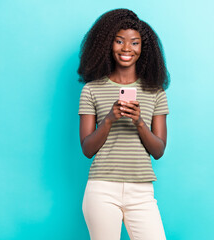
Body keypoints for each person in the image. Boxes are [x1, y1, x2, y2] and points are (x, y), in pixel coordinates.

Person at [77, 8, 169, 240]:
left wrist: (139, 122)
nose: (127, 48)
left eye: (134, 43)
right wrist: (109, 119)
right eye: (119, 41)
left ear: (143, 49)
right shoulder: (91, 90)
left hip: (142, 191)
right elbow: (87, 149)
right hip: (102, 189)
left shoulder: (155, 92)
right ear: (108, 44)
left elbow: (158, 151)